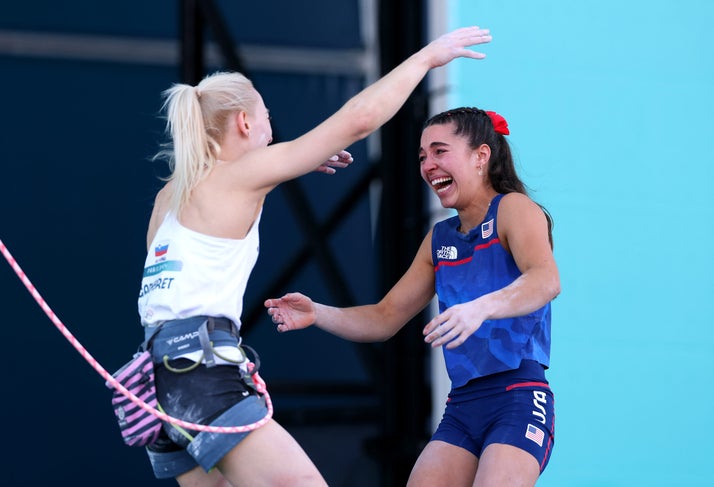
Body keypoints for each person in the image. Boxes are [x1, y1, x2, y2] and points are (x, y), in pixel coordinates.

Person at [135, 26, 492, 487]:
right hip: (203, 375)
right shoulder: (239, 177)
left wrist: (293, 162)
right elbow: (359, 119)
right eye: (267, 117)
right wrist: (424, 59)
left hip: (158, 388)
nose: (270, 128)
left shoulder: (171, 195)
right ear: (246, 123)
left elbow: (206, 236)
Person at [265, 107, 560, 486]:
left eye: (440, 151)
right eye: (422, 156)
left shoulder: (513, 208)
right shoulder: (439, 239)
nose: (428, 165)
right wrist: (318, 313)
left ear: (481, 156)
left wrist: (480, 309)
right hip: (463, 406)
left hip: (518, 397)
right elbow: (385, 317)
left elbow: (546, 280)